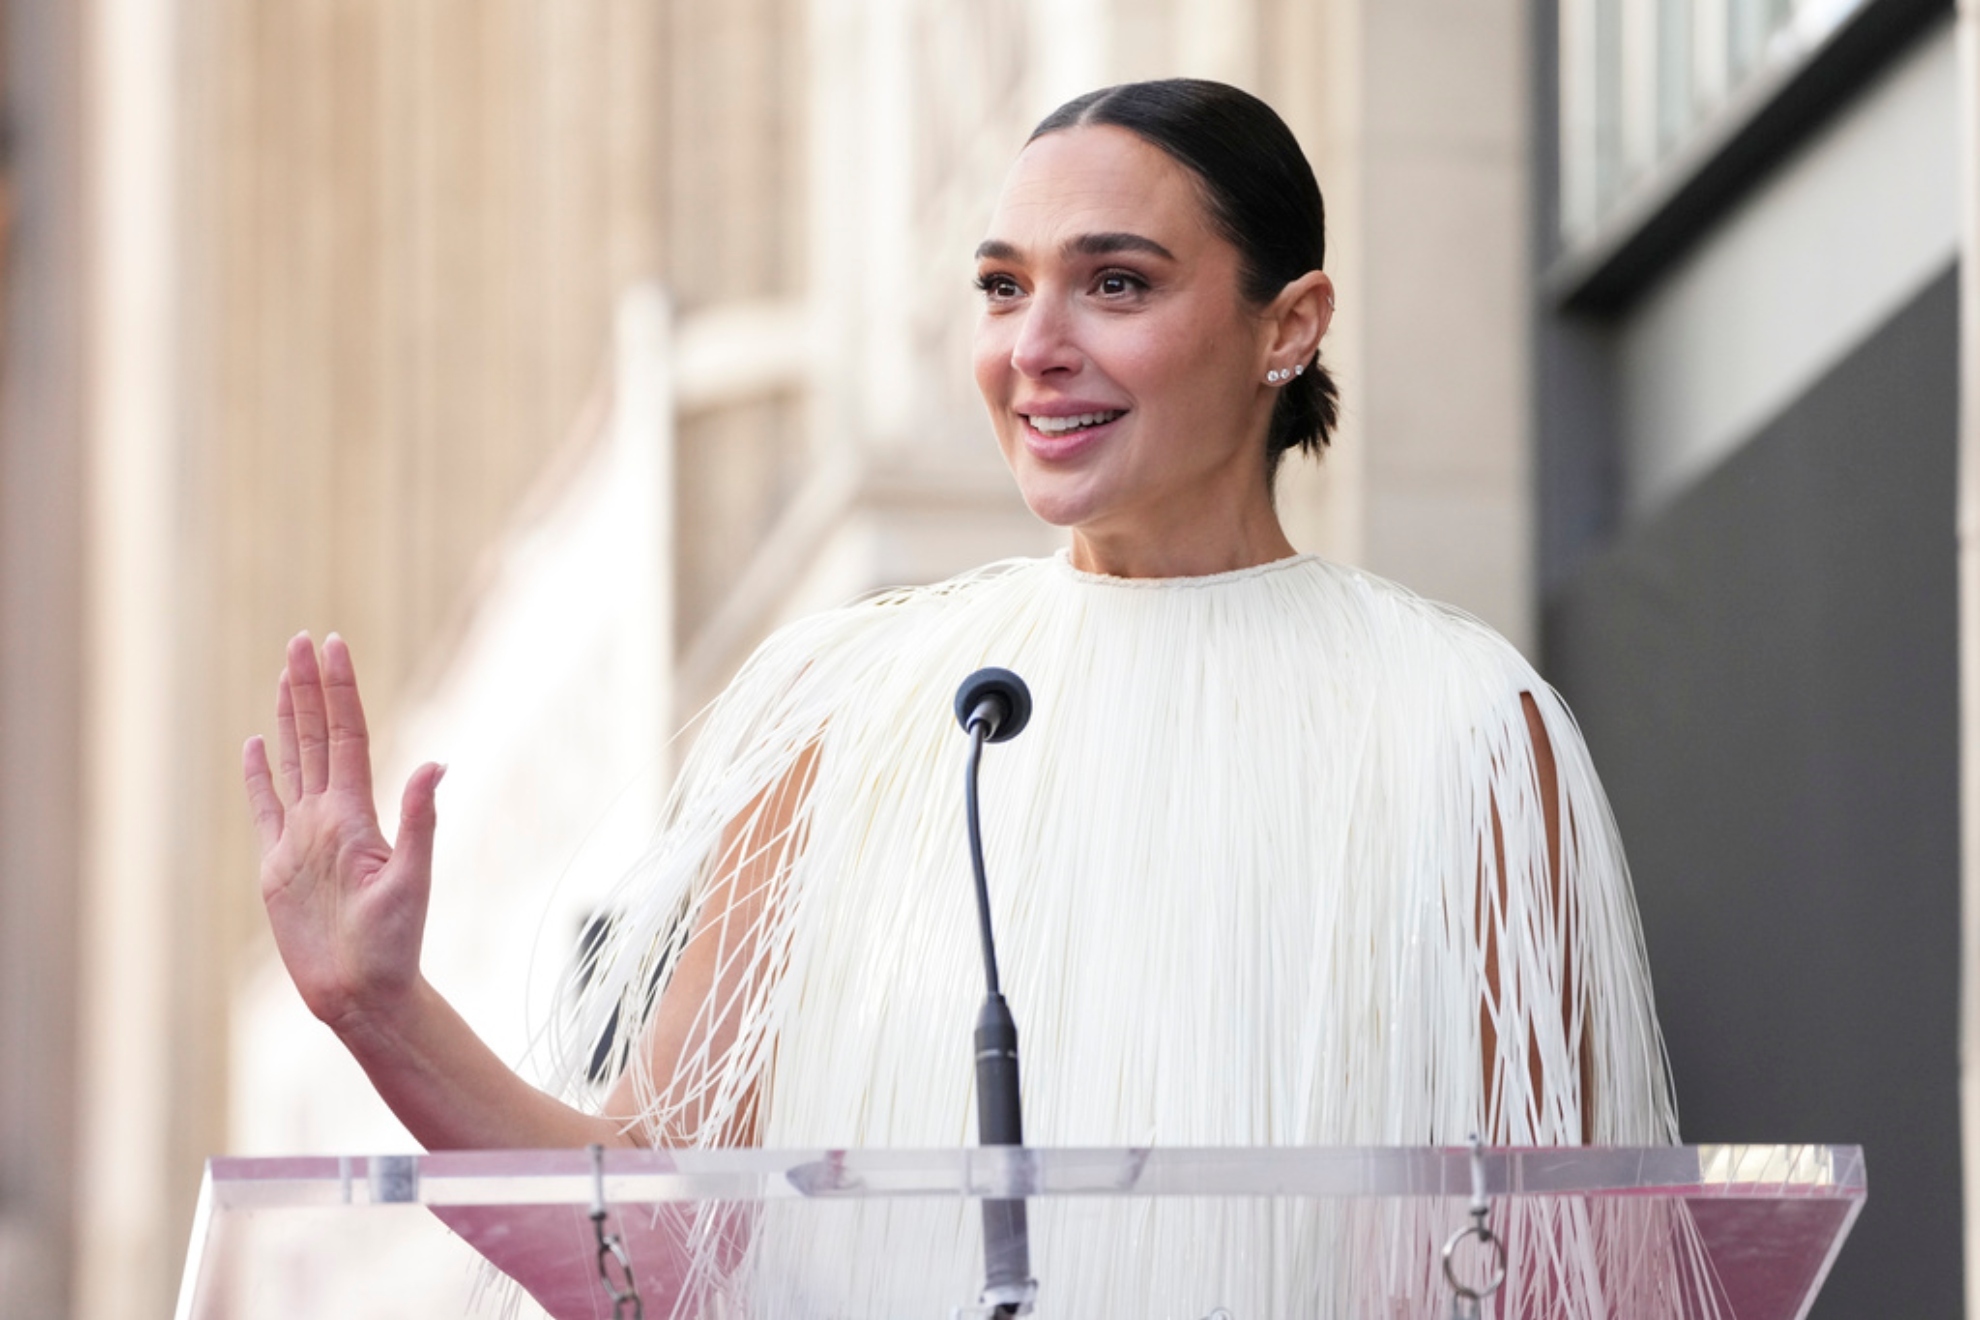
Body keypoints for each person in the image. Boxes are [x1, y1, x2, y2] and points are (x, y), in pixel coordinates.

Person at [245, 79, 1679, 1314]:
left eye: (1115, 283)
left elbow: (1546, 1273)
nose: (1033, 346)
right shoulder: (847, 710)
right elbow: (658, 1248)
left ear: (1287, 324)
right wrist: (381, 1010)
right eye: (1003, 287)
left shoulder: (1460, 726)